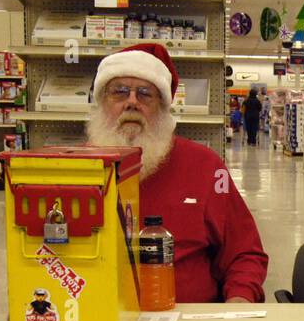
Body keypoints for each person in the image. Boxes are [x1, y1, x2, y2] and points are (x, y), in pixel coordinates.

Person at [87, 42, 268, 303]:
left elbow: (245, 253)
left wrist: (240, 298)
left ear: (162, 106)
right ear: (102, 101)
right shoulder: (78, 170)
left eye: (145, 94)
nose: (132, 103)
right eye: (120, 92)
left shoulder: (206, 167)